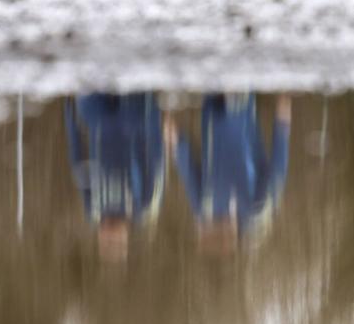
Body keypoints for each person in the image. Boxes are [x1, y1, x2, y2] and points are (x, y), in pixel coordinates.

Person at [168, 93, 291, 256]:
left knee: (211, 77)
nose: (205, 223)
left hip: (211, 121)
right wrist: (282, 124)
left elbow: (188, 171)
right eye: (209, 227)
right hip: (241, 118)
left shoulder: (203, 210)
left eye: (204, 227)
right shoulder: (257, 209)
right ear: (231, 233)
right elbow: (278, 170)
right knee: (235, 81)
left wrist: (176, 141)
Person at [65, 93, 167, 262]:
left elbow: (79, 164)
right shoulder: (144, 206)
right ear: (126, 237)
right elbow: (156, 159)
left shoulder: (93, 209)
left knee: (87, 76)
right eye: (115, 241)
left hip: (97, 119)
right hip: (133, 117)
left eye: (106, 242)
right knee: (128, 72)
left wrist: (70, 118)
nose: (109, 235)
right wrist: (153, 112)